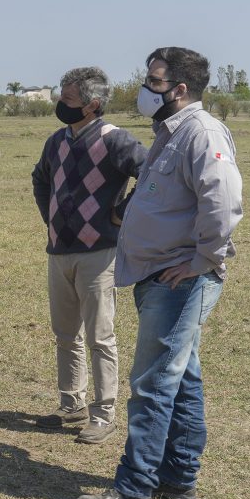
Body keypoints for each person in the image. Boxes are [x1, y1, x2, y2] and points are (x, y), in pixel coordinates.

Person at [76, 47, 243, 499]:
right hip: (156, 274)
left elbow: (224, 200)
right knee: (182, 378)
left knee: (152, 383)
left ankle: (132, 491)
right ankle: (178, 476)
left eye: (153, 81)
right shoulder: (170, 133)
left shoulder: (202, 132)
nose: (145, 89)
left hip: (180, 279)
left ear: (180, 89)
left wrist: (201, 260)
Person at [32, 67, 147, 444]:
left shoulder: (116, 140)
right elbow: (41, 179)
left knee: (100, 336)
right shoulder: (56, 141)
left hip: (100, 253)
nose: (60, 105)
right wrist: (51, 217)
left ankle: (104, 413)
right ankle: (71, 404)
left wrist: (121, 213)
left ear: (92, 104)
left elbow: (149, 174)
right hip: (59, 251)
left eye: (66, 100)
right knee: (65, 333)